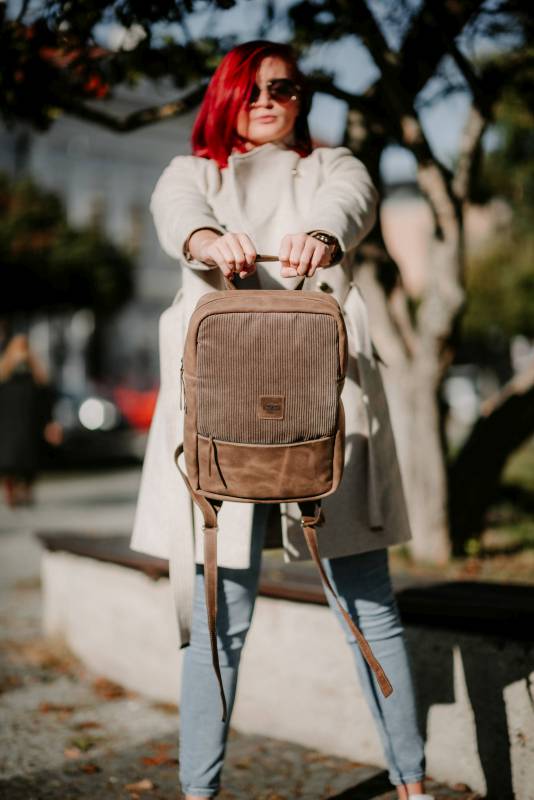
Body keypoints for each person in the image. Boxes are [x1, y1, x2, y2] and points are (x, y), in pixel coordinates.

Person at [130, 40, 434, 800]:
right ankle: (199, 792)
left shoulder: (332, 168)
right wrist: (207, 242)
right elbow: (181, 217)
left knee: (369, 609)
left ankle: (412, 786)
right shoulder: (193, 172)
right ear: (227, 94)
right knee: (217, 623)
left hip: (326, 427)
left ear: (303, 98)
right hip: (217, 430)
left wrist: (322, 237)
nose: (269, 100)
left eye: (287, 87)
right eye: (253, 87)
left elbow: (348, 207)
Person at [0, 334, 61, 506]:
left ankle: (26, 490)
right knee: (9, 459)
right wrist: (11, 360)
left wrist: (31, 359)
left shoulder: (32, 370)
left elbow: (45, 386)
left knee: (29, 458)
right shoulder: (6, 367)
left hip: (28, 420)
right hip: (8, 421)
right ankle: (11, 491)